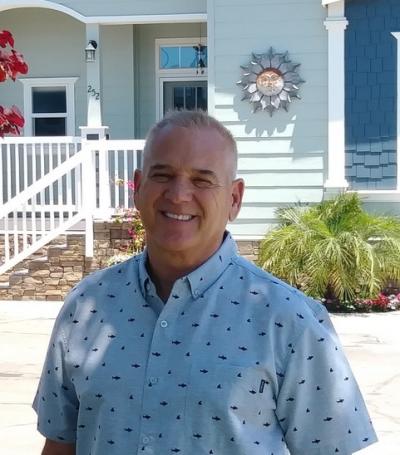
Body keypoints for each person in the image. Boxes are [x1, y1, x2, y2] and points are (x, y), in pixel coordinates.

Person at [34, 110, 377, 455]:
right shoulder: (86, 307)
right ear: (138, 188)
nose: (178, 194)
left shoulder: (290, 321)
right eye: (163, 175)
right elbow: (60, 444)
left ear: (234, 199)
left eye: (202, 180)